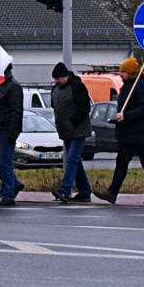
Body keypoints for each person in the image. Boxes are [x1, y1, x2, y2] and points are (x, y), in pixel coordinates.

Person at [93, 57, 144, 206]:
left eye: (124, 72)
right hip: (127, 133)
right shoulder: (126, 86)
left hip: (140, 133)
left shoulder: (141, 87)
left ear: (131, 73)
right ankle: (112, 192)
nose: (121, 74)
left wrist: (127, 116)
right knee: (121, 162)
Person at [49, 62, 93, 204]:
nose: (57, 81)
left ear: (66, 76)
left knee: (72, 160)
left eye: (59, 78)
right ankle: (85, 191)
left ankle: (65, 190)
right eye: (55, 79)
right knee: (76, 161)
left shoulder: (77, 86)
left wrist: (73, 121)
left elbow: (85, 107)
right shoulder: (55, 90)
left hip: (78, 130)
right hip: (66, 130)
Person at [0, 64, 24, 206]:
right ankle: (14, 184)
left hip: (6, 130)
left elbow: (17, 110)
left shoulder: (13, 86)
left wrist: (13, 132)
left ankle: (9, 194)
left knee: (5, 163)